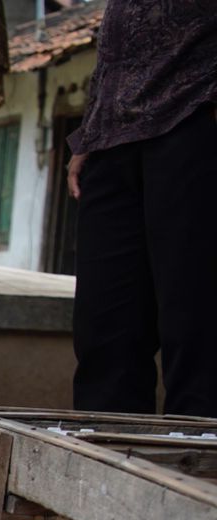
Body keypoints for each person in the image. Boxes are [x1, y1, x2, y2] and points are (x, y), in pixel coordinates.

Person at [68, 0, 217, 418]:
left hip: (193, 116)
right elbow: (117, 42)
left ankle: (198, 466)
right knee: (104, 330)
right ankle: (105, 466)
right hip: (111, 140)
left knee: (194, 321)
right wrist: (90, 130)